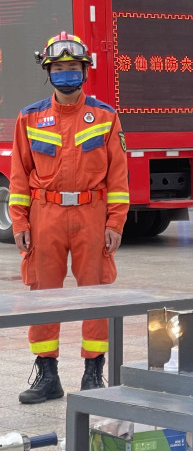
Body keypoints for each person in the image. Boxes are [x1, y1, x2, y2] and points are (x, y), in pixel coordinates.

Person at [10, 32, 129, 404]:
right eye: (59, 68)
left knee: (94, 292)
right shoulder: (29, 117)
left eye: (72, 68)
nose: (66, 75)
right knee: (43, 295)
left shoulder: (106, 116)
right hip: (45, 215)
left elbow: (119, 178)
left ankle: (94, 373)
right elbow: (18, 176)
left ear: (84, 71)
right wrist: (20, 222)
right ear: (48, 72)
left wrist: (114, 223)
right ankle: (47, 376)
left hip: (92, 215)